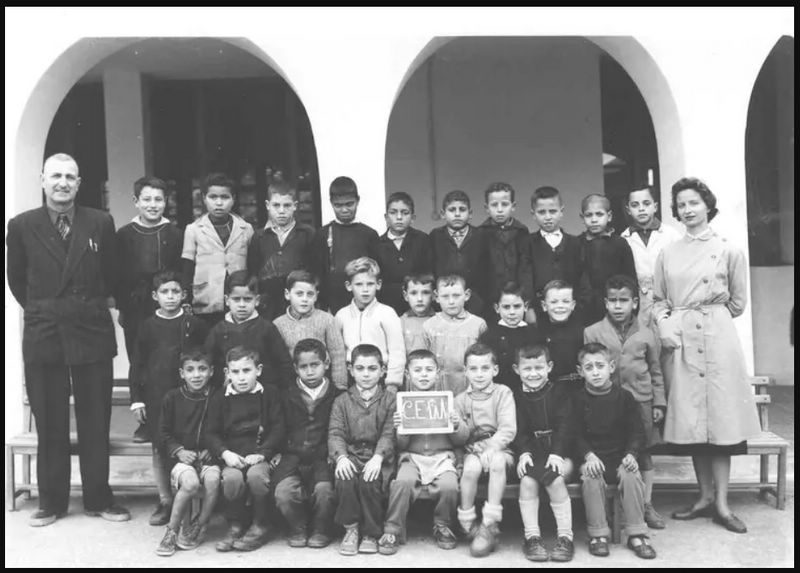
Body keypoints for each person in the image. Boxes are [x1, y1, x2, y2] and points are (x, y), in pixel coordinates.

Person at [6, 153, 130, 526]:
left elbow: (112, 273)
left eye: (69, 177)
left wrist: (82, 307)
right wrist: (47, 309)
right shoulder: (21, 225)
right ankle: (52, 502)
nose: (62, 182)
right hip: (45, 332)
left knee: (95, 420)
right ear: (43, 180)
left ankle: (98, 498)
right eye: (56, 175)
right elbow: (17, 281)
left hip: (90, 330)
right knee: (50, 421)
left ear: (79, 183)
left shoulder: (100, 222)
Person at [653, 177, 761, 534]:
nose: (688, 210)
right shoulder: (668, 253)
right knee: (694, 422)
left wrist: (710, 319)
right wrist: (667, 323)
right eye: (681, 205)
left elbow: (738, 303)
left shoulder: (729, 250)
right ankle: (703, 497)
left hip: (717, 340)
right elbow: (658, 300)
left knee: (721, 422)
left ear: (707, 205)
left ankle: (723, 504)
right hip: (682, 340)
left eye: (694, 203)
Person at [583, 274, 666, 529]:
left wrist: (658, 403)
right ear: (605, 303)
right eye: (613, 300)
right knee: (613, 451)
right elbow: (589, 365)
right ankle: (613, 508)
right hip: (608, 401)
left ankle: (646, 504)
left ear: (635, 303)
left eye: (624, 300)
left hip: (641, 400)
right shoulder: (592, 332)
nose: (618, 306)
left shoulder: (647, 333)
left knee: (643, 453)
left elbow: (655, 370)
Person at [129, 270, 209, 526]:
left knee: (188, 444)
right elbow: (137, 364)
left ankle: (192, 498)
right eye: (165, 292)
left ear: (184, 295)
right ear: (155, 296)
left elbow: (205, 359)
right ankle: (165, 501)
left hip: (188, 396)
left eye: (175, 291)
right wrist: (137, 399)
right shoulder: (147, 326)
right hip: (156, 396)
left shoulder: (194, 325)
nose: (171, 296)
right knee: (160, 448)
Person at [378, 350, 468, 555]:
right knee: (403, 483)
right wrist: (401, 429)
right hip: (412, 457)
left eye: (429, 369)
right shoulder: (403, 403)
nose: (424, 374)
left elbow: (461, 439)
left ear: (438, 373)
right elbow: (401, 445)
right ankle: (392, 529)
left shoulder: (448, 401)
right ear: (408, 374)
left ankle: (443, 525)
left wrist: (456, 424)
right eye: (417, 370)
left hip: (442, 457)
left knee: (449, 486)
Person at [115, 176, 184, 443]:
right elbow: (117, 275)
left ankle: (173, 421)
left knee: (169, 361)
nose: (153, 205)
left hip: (168, 305)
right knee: (140, 361)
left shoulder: (175, 234)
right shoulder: (124, 235)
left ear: (166, 202)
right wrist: (124, 307)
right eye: (147, 199)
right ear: (136, 201)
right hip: (136, 309)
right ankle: (145, 422)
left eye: (158, 199)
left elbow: (181, 272)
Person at [573, 343, 656, 560]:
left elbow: (637, 431)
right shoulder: (577, 399)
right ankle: (598, 534)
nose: (595, 372)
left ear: (611, 367)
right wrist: (588, 455)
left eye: (600, 366)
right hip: (593, 458)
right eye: (589, 368)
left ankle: (637, 533)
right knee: (590, 476)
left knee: (631, 475)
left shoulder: (625, 397)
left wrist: (631, 454)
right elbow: (574, 434)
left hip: (620, 456)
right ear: (581, 371)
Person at [205, 346, 285, 552]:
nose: (241, 378)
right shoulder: (220, 397)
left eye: (246, 370)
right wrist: (225, 453)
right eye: (235, 372)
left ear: (258, 370)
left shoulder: (270, 394)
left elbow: (278, 428)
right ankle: (236, 524)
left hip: (259, 455)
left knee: (256, 477)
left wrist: (263, 453)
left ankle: (260, 524)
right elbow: (210, 433)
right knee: (232, 479)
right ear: (227, 373)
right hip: (233, 457)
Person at [328, 344, 396, 556]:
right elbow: (335, 433)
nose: (366, 374)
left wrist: (378, 457)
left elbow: (389, 433)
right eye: (360, 368)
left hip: (377, 456)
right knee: (345, 477)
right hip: (351, 454)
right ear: (351, 370)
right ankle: (351, 529)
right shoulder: (342, 401)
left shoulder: (390, 400)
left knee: (370, 480)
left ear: (383, 370)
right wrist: (341, 458)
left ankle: (370, 533)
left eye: (372, 368)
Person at [155, 348, 221, 557]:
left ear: (211, 371)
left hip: (209, 458)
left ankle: (199, 524)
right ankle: (172, 531)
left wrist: (213, 448)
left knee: (213, 480)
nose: (196, 375)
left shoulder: (218, 396)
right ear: (182, 373)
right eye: (190, 370)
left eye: (202, 369)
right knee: (191, 483)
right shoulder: (172, 397)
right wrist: (179, 451)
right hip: (181, 459)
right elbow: (162, 433)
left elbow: (225, 429)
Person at [513, 344, 575, 563]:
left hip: (562, 453)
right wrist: (524, 453)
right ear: (517, 370)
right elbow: (518, 430)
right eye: (527, 369)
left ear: (549, 367)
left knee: (555, 479)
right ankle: (532, 538)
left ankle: (565, 537)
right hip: (534, 454)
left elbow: (566, 426)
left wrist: (557, 453)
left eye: (539, 368)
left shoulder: (560, 392)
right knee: (527, 482)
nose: (533, 374)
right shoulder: (516, 396)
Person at [273, 339, 337, 549]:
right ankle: (297, 527)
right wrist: (277, 451)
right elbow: (278, 427)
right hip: (293, 456)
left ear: (326, 364)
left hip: (322, 457)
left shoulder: (337, 395)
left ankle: (321, 528)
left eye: (315, 365)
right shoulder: (286, 395)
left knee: (325, 491)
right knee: (283, 492)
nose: (310, 371)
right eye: (303, 367)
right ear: (295, 368)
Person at [454, 343, 516, 558]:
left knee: (497, 461)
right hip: (473, 450)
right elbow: (460, 438)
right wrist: (456, 426)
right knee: (471, 467)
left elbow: (508, 429)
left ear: (495, 370)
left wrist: (492, 447)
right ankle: (467, 522)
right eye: (473, 369)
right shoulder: (460, 400)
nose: (479, 374)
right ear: (465, 371)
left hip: (500, 449)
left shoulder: (503, 393)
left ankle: (490, 523)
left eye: (485, 368)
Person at [181, 172, 254, 327]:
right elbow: (187, 269)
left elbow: (252, 265)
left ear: (233, 199)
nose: (219, 203)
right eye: (213, 197)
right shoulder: (194, 229)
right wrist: (186, 301)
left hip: (238, 302)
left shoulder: (246, 229)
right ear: (204, 198)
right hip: (206, 301)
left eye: (225, 197)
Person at [204, 271, 293, 389]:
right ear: (227, 300)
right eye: (236, 299)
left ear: (257, 300)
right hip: (228, 392)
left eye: (247, 299)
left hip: (263, 391)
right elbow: (208, 363)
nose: (242, 305)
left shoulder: (266, 328)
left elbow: (283, 363)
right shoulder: (218, 331)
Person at [247, 180, 316, 320]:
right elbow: (253, 273)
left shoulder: (307, 234)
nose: (281, 211)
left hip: (299, 305)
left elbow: (316, 272)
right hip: (268, 306)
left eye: (287, 205)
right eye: (276, 205)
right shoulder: (259, 237)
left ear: (295, 206)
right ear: (267, 205)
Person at [311, 176, 379, 314]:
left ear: (357, 200)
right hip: (331, 304)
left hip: (364, 304)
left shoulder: (369, 234)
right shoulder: (322, 234)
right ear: (331, 203)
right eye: (338, 205)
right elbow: (317, 273)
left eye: (349, 204)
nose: (344, 210)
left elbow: (376, 272)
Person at [335, 257, 406, 390]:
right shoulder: (341, 315)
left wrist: (392, 383)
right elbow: (338, 353)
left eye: (370, 284)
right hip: (351, 379)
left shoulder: (387, 313)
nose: (365, 289)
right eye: (359, 284)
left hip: (381, 378)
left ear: (378, 284)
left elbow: (397, 351)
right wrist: (341, 382)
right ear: (349, 286)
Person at [273, 270, 348, 391]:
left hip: (324, 385)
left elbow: (337, 355)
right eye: (299, 294)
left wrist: (340, 387)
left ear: (316, 295)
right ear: (287, 294)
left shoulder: (327, 320)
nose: (305, 299)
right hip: (293, 388)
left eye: (310, 294)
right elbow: (278, 361)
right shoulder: (278, 324)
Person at [620, 186, 682, 329]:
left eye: (646, 204)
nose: (641, 209)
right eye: (635, 205)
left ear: (655, 206)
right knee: (642, 337)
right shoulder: (623, 239)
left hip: (669, 299)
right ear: (628, 210)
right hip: (639, 302)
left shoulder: (671, 235)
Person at [521, 186, 583, 324]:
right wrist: (529, 307)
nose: (548, 217)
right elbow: (525, 278)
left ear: (561, 212)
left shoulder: (575, 243)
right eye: (542, 212)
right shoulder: (528, 243)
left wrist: (578, 306)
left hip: (570, 309)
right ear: (533, 214)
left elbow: (582, 277)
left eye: (553, 211)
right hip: (539, 311)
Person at [423, 274, 488, 395]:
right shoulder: (429, 325)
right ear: (436, 297)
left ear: (466, 295)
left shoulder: (478, 324)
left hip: (470, 390)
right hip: (438, 390)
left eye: (456, 296)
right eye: (445, 296)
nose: (451, 301)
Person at [577, 193, 637, 325]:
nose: (594, 220)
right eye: (589, 215)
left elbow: (630, 279)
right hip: (584, 310)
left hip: (615, 306)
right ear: (582, 217)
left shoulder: (620, 244)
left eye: (599, 214)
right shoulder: (576, 244)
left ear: (609, 216)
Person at [429, 190, 490, 315]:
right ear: (443, 214)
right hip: (445, 299)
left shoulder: (481, 236)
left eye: (462, 210)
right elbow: (431, 269)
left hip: (475, 300)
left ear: (470, 213)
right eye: (452, 210)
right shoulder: (435, 236)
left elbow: (487, 271)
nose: (457, 214)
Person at [371, 192, 432, 315]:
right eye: (393, 212)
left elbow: (429, 273)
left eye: (405, 213)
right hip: (387, 306)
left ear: (413, 218)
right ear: (386, 217)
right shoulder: (377, 244)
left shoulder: (423, 240)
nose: (399, 217)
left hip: (418, 306)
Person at [478, 281, 545, 396]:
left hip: (529, 393)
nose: (512, 312)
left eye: (517, 306)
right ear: (497, 308)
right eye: (506, 307)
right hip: (499, 393)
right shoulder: (489, 336)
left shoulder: (534, 335)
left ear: (526, 306)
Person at [478, 182, 533, 322]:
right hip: (490, 298)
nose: (499, 210)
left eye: (504, 204)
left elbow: (525, 267)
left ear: (513, 206)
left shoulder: (521, 231)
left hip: (516, 297)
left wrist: (526, 297)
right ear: (486, 208)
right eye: (494, 205)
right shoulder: (480, 233)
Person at [536, 280, 585, 396]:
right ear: (544, 306)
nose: (560, 306)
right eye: (554, 302)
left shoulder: (583, 332)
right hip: (549, 391)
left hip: (579, 388)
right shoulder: (538, 334)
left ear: (573, 305)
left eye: (565, 301)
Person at [399, 273, 436, 353]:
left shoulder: (439, 321)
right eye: (413, 293)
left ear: (434, 295)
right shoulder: (399, 323)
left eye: (425, 292)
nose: (419, 299)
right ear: (406, 296)